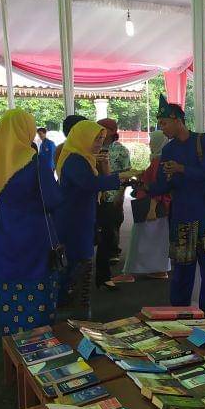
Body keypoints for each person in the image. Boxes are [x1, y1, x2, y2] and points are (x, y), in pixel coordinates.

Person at [0, 109, 64, 335]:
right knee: (36, 293)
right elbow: (53, 199)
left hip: (5, 231)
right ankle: (36, 351)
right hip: (35, 234)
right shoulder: (36, 163)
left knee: (9, 294)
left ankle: (13, 346)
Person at [145, 95, 205, 318]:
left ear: (178, 120)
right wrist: (144, 185)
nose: (162, 128)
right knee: (182, 268)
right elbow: (164, 183)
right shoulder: (168, 150)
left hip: (203, 214)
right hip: (180, 214)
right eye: (160, 124)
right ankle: (179, 311)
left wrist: (182, 169)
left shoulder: (203, 141)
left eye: (164, 123)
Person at [54, 120, 133, 318]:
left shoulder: (84, 158)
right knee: (76, 264)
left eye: (101, 138)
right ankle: (69, 311)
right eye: (95, 139)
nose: (99, 143)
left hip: (81, 217)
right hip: (74, 220)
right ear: (82, 138)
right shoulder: (75, 160)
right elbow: (89, 183)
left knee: (80, 264)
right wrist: (120, 178)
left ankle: (75, 309)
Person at [117, 131, 171, 283]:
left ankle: (128, 273)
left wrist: (152, 207)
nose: (149, 144)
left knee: (138, 240)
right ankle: (160, 269)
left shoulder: (158, 161)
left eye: (152, 141)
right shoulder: (162, 159)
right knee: (159, 240)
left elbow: (157, 186)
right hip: (160, 207)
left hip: (149, 205)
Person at [95, 117, 131, 288]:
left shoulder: (121, 150)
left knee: (111, 227)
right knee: (100, 230)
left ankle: (112, 253)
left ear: (111, 131)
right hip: (95, 196)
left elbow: (126, 173)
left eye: (102, 128)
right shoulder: (92, 148)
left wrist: (121, 194)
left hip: (111, 194)